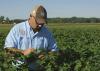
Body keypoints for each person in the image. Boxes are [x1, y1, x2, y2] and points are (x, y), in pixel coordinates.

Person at [4, 5, 58, 71]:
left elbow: (54, 50)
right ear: (30, 17)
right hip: (20, 69)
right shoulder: (17, 29)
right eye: (38, 22)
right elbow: (8, 49)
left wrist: (45, 55)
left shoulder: (47, 32)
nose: (40, 25)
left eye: (42, 23)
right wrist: (23, 52)